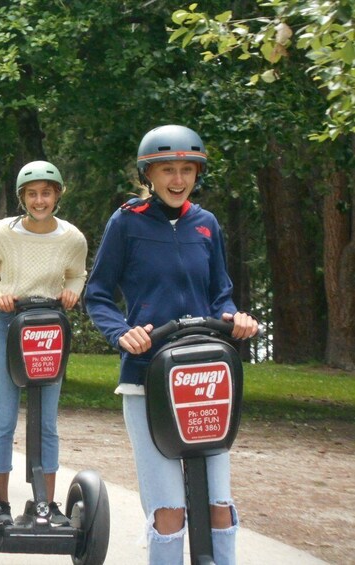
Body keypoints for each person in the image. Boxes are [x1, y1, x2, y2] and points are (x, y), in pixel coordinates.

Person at [84, 125, 259, 565]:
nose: (178, 180)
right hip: (148, 377)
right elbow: (98, 294)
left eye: (187, 170)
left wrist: (233, 317)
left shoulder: (207, 224)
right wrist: (123, 332)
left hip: (205, 376)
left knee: (219, 507)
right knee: (168, 512)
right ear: (149, 174)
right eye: (167, 170)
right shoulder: (127, 222)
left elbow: (221, 293)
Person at [0, 160, 87, 527]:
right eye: (33, 194)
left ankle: (46, 504)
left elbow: (78, 273)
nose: (40, 200)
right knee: (4, 418)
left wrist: (71, 293)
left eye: (47, 193)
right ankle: (1, 503)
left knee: (47, 422)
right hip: (9, 322)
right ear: (22, 197)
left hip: (50, 326)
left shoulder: (72, 237)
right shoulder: (2, 233)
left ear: (57, 195)